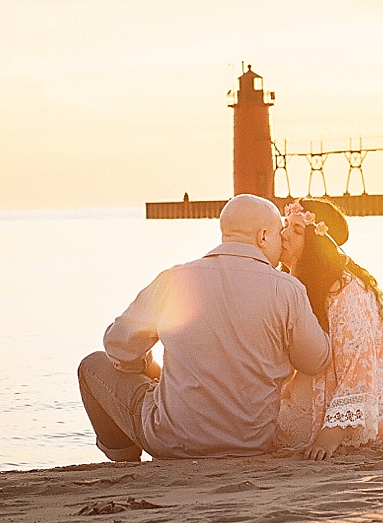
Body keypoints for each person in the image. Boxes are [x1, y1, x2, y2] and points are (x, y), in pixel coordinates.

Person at [76, 194, 330, 461]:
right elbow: (316, 361)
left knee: (92, 365)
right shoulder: (287, 289)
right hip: (252, 442)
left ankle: (125, 461)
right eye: (280, 234)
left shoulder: (175, 279)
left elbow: (117, 346)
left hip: (173, 442)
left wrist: (146, 368)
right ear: (263, 237)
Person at [273, 199, 383, 459]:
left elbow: (359, 367)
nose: (283, 235)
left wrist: (328, 439)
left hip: (375, 418)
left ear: (316, 244)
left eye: (296, 231)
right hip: (324, 387)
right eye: (285, 226)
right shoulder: (300, 281)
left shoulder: (345, 289)